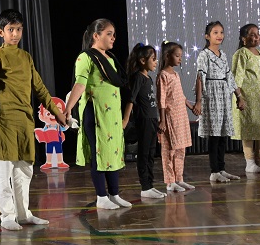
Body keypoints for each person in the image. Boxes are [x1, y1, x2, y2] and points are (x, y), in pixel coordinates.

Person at [0, 9, 67, 230]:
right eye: (10, 30)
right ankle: (7, 216)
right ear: (1, 32)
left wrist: (58, 113)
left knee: (25, 171)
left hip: (25, 120)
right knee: (5, 172)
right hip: (5, 120)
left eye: (18, 29)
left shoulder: (26, 57)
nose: (15, 34)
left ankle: (24, 214)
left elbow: (40, 88)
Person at [65, 18, 132, 209]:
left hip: (112, 116)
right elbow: (80, 84)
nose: (113, 38)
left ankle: (114, 194)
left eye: (114, 34)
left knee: (112, 152)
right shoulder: (85, 57)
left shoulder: (110, 58)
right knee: (100, 153)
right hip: (95, 114)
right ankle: (102, 197)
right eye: (109, 34)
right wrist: (68, 108)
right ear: (96, 35)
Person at [194, 21, 245, 183]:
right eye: (215, 32)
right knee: (214, 134)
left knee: (223, 134)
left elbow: (229, 76)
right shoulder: (204, 55)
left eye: (221, 32)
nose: (219, 35)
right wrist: (199, 101)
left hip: (224, 94)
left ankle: (222, 168)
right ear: (207, 36)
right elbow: (200, 77)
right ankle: (214, 170)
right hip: (211, 95)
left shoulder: (222, 54)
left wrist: (239, 96)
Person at [122, 43, 166, 198]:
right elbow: (131, 99)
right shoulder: (138, 77)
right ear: (142, 60)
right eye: (153, 59)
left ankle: (150, 185)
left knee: (151, 154)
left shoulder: (149, 78)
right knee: (144, 153)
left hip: (152, 120)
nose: (155, 62)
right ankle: (145, 187)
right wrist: (125, 119)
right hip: (144, 121)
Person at [231, 23, 260, 173]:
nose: (257, 37)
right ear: (244, 38)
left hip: (259, 99)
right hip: (247, 97)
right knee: (248, 129)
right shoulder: (241, 53)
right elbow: (236, 78)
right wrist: (239, 97)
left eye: (258, 34)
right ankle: (250, 162)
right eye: (252, 35)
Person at [156, 42, 196, 193]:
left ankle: (179, 178)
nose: (180, 59)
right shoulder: (163, 75)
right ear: (167, 56)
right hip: (170, 117)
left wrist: (190, 106)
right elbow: (161, 99)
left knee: (180, 149)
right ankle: (170, 181)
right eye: (177, 56)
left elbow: (181, 95)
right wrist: (162, 120)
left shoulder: (176, 74)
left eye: (181, 56)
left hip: (181, 117)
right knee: (169, 150)